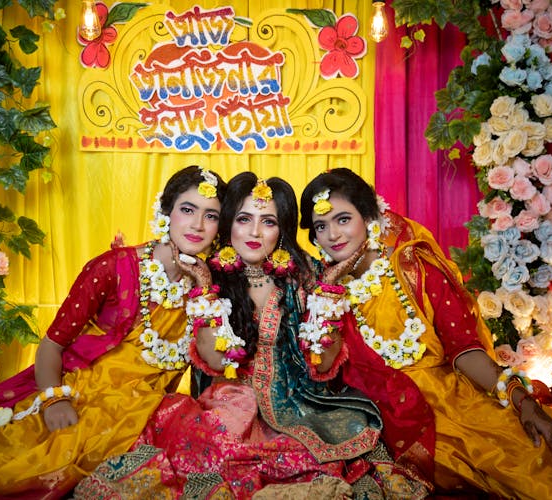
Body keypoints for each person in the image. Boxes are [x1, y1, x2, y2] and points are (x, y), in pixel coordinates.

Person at [74, 172, 430, 499]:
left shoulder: (305, 278)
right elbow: (214, 361)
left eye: (269, 222)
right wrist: (204, 292)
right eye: (244, 220)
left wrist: (329, 294)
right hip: (227, 408)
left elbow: (322, 366)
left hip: (300, 407)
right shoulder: (209, 274)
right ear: (229, 224)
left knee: (334, 442)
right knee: (215, 445)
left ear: (283, 229)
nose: (255, 233)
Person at [0, 165, 227, 498]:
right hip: (82, 396)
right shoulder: (113, 268)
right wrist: (53, 401)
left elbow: (214, 361)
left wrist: (204, 288)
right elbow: (52, 345)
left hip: (147, 411)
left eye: (211, 215)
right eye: (188, 210)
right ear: (166, 211)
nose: (198, 225)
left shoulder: (212, 285)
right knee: (6, 470)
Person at [297, 167, 552, 498]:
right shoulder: (321, 291)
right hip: (382, 420)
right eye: (321, 227)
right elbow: (322, 368)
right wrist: (328, 299)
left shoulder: (414, 268)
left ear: (368, 216)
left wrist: (521, 400)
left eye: (342, 219)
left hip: (453, 402)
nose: (333, 235)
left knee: (540, 454)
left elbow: (464, 349)